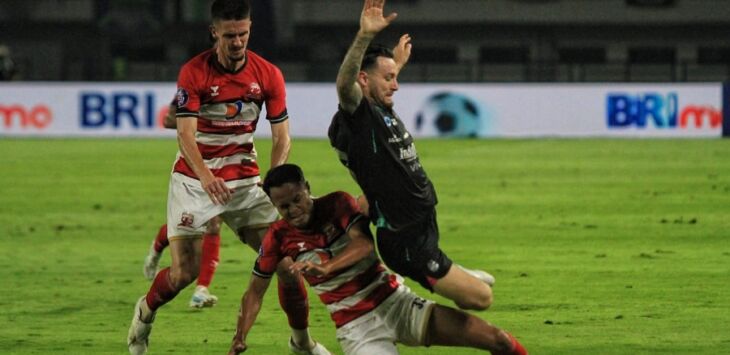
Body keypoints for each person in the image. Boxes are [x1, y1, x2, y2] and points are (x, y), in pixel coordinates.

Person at [127, 1, 331, 354]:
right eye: (230, 35)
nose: (237, 42)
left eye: (243, 33)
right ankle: (143, 315)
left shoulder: (268, 74)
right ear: (214, 33)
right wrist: (206, 177)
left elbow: (282, 135)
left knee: (287, 266)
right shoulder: (194, 73)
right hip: (194, 183)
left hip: (245, 184)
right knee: (183, 274)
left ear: (250, 28)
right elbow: (185, 135)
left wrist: (272, 180)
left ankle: (302, 343)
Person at [227, 164, 527, 355]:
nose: (293, 210)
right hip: (357, 328)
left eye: (297, 200)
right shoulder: (277, 238)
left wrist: (326, 267)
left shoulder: (337, 204)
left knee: (497, 340)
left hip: (397, 302)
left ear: (307, 188)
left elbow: (364, 246)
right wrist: (240, 336)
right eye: (284, 207)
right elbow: (255, 291)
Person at [328, 0, 495, 311]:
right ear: (364, 80)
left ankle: (442, 275)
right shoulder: (360, 116)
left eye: (396, 76)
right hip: (405, 240)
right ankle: (413, 306)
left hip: (421, 223)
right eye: (389, 78)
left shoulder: (376, 108)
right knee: (482, 298)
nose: (397, 85)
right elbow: (345, 85)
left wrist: (393, 65)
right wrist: (364, 36)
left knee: (468, 284)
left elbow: (372, 87)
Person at [142, 103, 223, 309]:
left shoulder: (234, 90)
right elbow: (168, 121)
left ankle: (201, 289)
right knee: (187, 223)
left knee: (213, 224)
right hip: (192, 168)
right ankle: (156, 249)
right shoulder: (193, 89)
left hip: (223, 164)